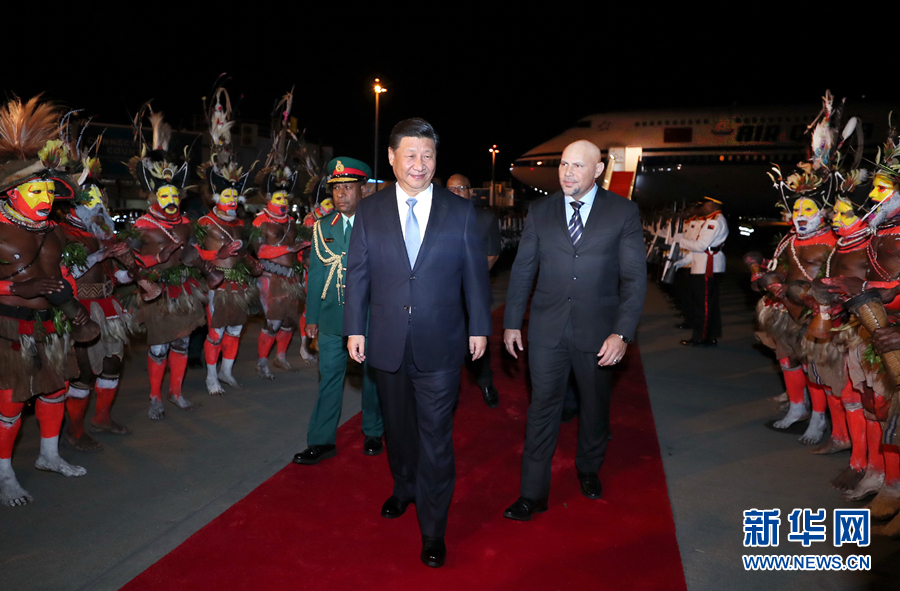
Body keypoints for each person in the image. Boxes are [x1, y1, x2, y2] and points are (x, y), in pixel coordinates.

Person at [344, 118, 491, 568]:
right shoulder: (369, 211)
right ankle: (403, 487)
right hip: (386, 342)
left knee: (436, 439)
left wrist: (479, 327)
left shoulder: (460, 211)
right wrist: (355, 328)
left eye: (427, 155)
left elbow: (475, 277)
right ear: (391, 158)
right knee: (399, 429)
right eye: (410, 154)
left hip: (441, 345)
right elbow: (358, 274)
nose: (419, 164)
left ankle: (433, 528)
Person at [502, 139, 646, 520]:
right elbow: (523, 270)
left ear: (598, 170)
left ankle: (588, 469)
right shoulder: (540, 211)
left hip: (599, 334)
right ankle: (532, 494)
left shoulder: (623, 212)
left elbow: (633, 280)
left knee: (594, 407)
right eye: (564, 164)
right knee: (541, 409)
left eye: (577, 166)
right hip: (547, 332)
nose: (567, 172)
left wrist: (622, 333)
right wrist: (512, 322)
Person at [294, 157, 384, 464]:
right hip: (332, 317)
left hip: (370, 317)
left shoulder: (377, 225)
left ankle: (373, 431)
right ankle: (321, 440)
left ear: (362, 190)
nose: (341, 194)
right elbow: (316, 274)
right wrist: (312, 319)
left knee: (372, 376)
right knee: (329, 377)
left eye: (348, 187)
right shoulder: (322, 228)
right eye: (336, 189)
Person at [447, 173, 501, 408]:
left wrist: (470, 278)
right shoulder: (433, 218)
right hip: (443, 296)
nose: (456, 192)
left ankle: (486, 382)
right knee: (447, 346)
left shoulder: (486, 218)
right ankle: (450, 391)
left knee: (478, 342)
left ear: (470, 192)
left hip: (473, 294)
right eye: (450, 189)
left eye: (461, 188)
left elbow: (492, 254)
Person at [679, 196, 728, 346]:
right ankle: (710, 335)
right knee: (708, 302)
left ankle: (700, 337)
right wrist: (683, 261)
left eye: (704, 204)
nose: (701, 208)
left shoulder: (714, 221)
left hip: (707, 266)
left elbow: (700, 246)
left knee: (703, 303)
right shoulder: (711, 220)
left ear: (712, 205)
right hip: (704, 264)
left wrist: (679, 240)